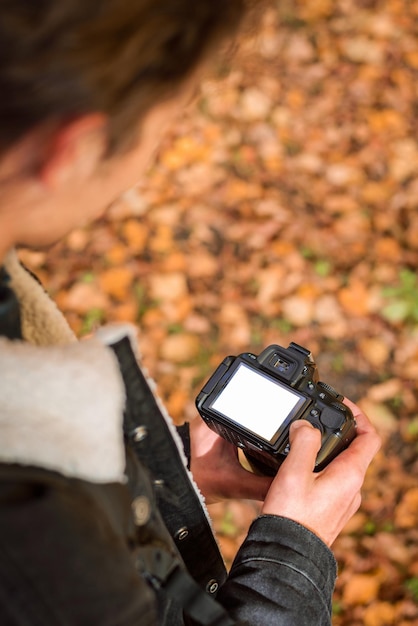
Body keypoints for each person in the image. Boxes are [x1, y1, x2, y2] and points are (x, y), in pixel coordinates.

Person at [0, 1, 381, 625]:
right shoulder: (26, 535)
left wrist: (167, 473)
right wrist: (295, 551)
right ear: (71, 149)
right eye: (165, 124)